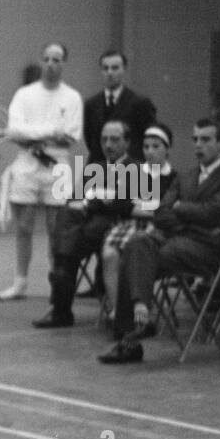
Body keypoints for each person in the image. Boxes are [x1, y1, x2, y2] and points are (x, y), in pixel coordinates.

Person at [98, 118, 220, 364]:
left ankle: (131, 338)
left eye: (205, 139)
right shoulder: (188, 175)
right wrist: (188, 215)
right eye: (195, 139)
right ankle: (141, 319)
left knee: (140, 256)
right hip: (177, 239)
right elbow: (161, 212)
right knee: (135, 244)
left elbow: (214, 213)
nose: (198, 145)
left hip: (207, 249)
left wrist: (180, 208)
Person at [0, 43, 84, 301]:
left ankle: (56, 282)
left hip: (58, 167)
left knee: (57, 228)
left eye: (56, 59)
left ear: (64, 63)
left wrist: (31, 133)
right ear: (41, 61)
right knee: (23, 227)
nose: (51, 64)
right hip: (25, 165)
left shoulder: (73, 97)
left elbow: (70, 136)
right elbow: (13, 131)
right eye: (46, 59)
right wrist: (49, 132)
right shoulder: (24, 94)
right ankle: (20, 283)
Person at [33, 119, 138, 329]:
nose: (108, 145)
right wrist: (96, 200)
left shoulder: (134, 169)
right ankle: (61, 308)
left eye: (115, 140)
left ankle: (60, 310)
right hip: (87, 226)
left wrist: (91, 201)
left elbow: (122, 204)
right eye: (104, 139)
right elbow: (76, 199)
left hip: (117, 226)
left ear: (127, 142)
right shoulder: (94, 168)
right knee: (67, 226)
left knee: (66, 247)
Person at [101, 124, 179, 325]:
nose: (150, 152)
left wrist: (140, 205)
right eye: (146, 147)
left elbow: (168, 210)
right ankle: (118, 310)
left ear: (167, 149)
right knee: (109, 254)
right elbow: (121, 204)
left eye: (156, 146)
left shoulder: (174, 177)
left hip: (157, 228)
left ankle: (137, 309)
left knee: (137, 253)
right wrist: (149, 208)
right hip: (128, 224)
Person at [83, 50, 157, 165]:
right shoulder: (91, 104)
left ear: (124, 70)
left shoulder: (140, 103)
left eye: (115, 68)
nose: (110, 72)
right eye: (105, 68)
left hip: (131, 168)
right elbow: (90, 139)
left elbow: (149, 137)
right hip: (98, 168)